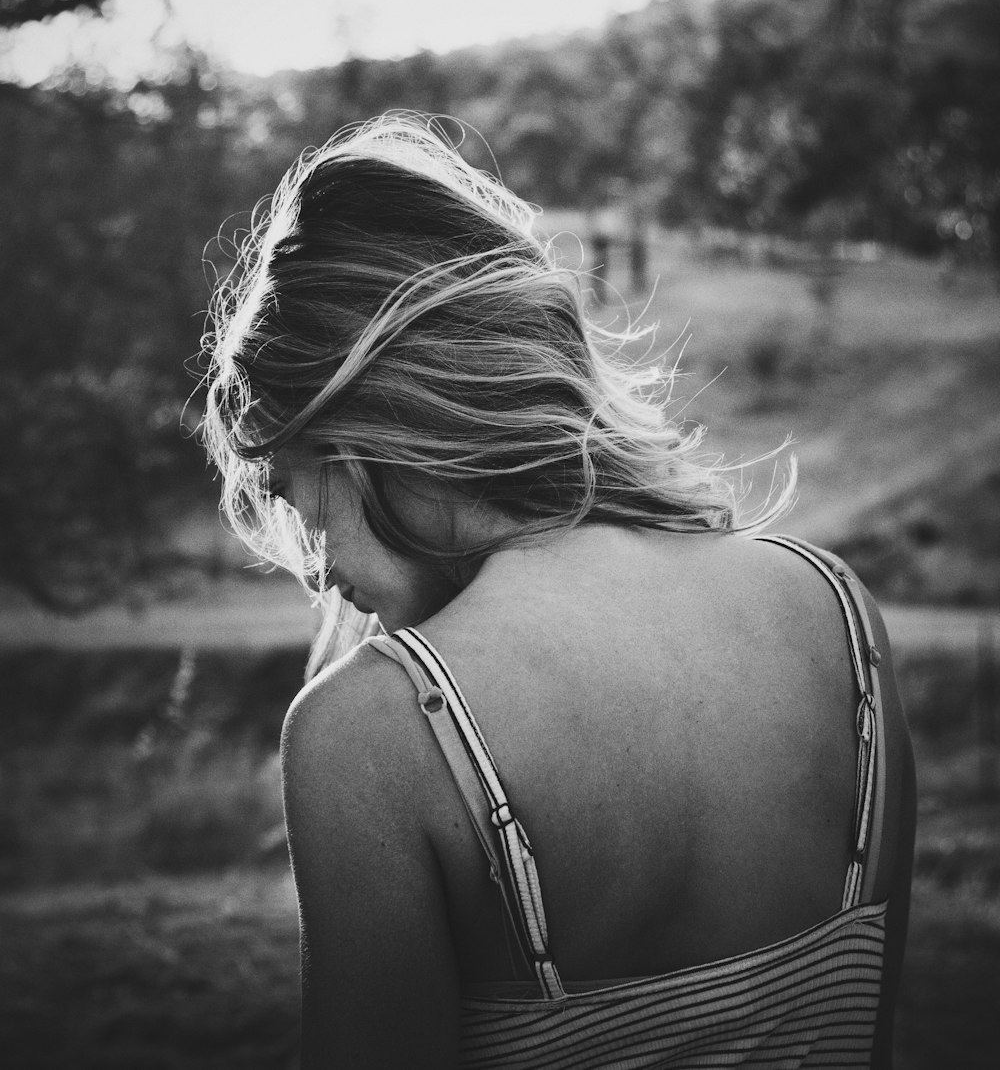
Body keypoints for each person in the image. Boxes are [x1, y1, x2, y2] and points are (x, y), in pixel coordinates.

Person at [203, 114, 915, 1069]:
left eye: (296, 494)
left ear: (365, 433)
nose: (321, 567)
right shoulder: (836, 614)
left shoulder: (370, 736)